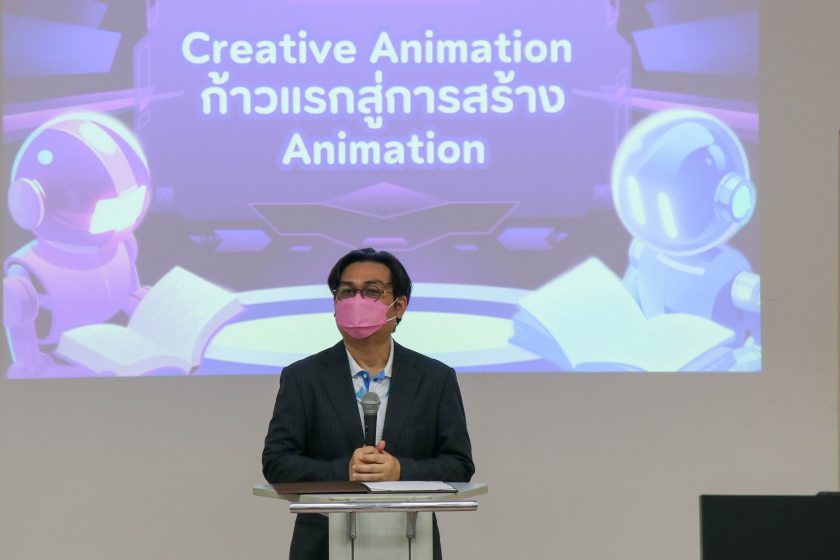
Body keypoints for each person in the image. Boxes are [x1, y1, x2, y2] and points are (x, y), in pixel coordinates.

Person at [262, 248, 475, 559]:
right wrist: (345, 470)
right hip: (322, 543)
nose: (356, 301)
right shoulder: (303, 377)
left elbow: (459, 465)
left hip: (410, 539)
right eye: (347, 292)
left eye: (371, 291)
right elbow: (277, 462)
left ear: (399, 306)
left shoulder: (435, 377)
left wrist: (400, 470)